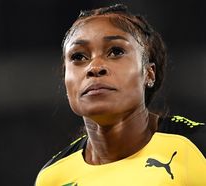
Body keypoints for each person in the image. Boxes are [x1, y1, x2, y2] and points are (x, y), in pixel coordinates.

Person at [35, 4, 206, 186]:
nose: (94, 67)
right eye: (78, 57)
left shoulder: (196, 147)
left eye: (116, 52)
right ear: (65, 79)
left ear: (149, 73)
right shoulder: (53, 177)